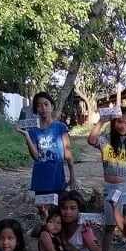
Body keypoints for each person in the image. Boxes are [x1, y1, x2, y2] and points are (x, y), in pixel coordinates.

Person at [87, 106, 126, 251]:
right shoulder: (105, 140)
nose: (123, 125)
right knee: (110, 225)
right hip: (110, 188)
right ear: (113, 122)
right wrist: (101, 121)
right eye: (119, 121)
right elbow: (91, 140)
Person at [16, 92, 76, 226]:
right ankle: (46, 241)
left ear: (52, 107)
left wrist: (72, 176)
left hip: (57, 178)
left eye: (46, 104)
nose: (43, 108)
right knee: (45, 216)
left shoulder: (60, 127)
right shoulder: (33, 130)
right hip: (40, 180)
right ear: (36, 110)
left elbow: (67, 152)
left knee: (60, 214)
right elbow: (36, 156)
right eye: (38, 106)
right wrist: (26, 135)